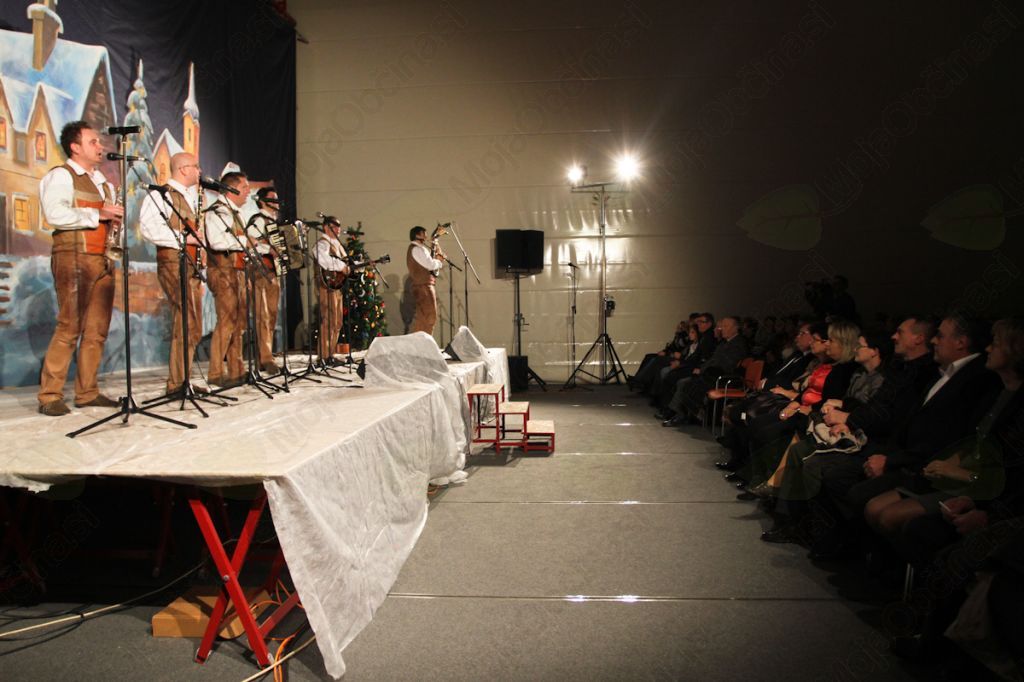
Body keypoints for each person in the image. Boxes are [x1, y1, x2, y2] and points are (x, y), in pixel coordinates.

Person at [36, 121, 124, 416]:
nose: (100, 146)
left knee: (97, 330)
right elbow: (54, 214)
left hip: (102, 258)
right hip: (74, 256)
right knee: (69, 326)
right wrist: (98, 213)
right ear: (75, 147)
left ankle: (87, 392)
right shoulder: (62, 175)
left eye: (99, 141)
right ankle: (49, 395)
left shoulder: (103, 182)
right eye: (93, 142)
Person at [138, 152, 205, 395]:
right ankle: (177, 383)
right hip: (173, 262)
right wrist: (184, 238)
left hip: (190, 264)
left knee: (192, 323)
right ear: (184, 169)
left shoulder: (190, 197)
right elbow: (148, 227)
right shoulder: (161, 194)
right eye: (196, 166)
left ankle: (182, 380)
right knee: (186, 319)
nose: (199, 171)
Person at [205, 171, 251, 388]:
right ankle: (215, 372)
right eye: (244, 187)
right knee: (226, 321)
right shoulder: (218, 211)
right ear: (231, 189)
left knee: (238, 322)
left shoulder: (236, 213)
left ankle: (236, 369)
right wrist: (244, 241)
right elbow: (216, 241)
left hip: (238, 270)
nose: (248, 191)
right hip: (222, 270)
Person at [246, 187, 282, 375]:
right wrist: (269, 249)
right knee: (263, 315)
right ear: (262, 201)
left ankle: (266, 354)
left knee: (272, 315)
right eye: (272, 199)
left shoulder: (273, 222)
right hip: (260, 271)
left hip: (273, 272)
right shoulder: (258, 220)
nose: (277, 203)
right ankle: (265, 358)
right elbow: (249, 242)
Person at [316, 216, 350, 364]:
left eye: (338, 227)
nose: (338, 229)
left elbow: (346, 263)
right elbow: (324, 261)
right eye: (334, 226)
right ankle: (323, 356)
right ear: (326, 227)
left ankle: (330, 354)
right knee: (329, 320)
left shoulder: (338, 245)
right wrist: (341, 267)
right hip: (326, 286)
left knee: (337, 322)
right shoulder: (322, 244)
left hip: (337, 286)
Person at [406, 225, 443, 335]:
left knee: (425, 317)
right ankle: (423, 342)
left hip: (424, 285)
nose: (426, 237)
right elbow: (429, 264)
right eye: (424, 234)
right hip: (423, 286)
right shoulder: (417, 249)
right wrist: (439, 262)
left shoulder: (418, 248)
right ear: (417, 235)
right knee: (429, 317)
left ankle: (423, 342)